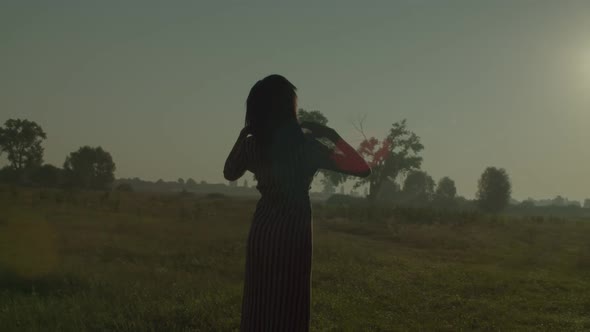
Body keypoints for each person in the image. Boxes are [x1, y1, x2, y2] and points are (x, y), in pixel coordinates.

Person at [223, 74, 371, 331]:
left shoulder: (252, 146)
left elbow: (229, 172)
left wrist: (242, 135)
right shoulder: (308, 147)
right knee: (289, 302)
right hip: (294, 230)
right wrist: (331, 134)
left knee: (259, 301)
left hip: (263, 229)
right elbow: (362, 168)